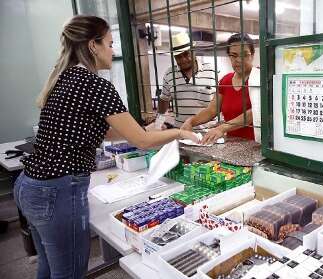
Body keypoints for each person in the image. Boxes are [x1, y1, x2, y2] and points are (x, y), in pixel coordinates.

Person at [13, 15, 198, 279]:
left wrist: (143, 131)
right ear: (93, 46)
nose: (113, 50)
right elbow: (142, 142)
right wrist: (179, 133)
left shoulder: (64, 78)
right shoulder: (95, 84)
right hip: (57, 190)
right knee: (68, 274)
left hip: (30, 185)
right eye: (110, 44)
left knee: (49, 267)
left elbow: (99, 131)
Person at [181, 33, 260, 145]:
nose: (238, 60)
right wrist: (191, 121)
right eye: (233, 55)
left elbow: (255, 112)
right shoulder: (226, 81)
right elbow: (212, 110)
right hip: (232, 144)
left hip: (256, 144)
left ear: (252, 55)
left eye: (244, 55)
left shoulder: (259, 78)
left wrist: (222, 128)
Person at [157, 32, 217, 130]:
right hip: (181, 132)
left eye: (186, 54)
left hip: (207, 132)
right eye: (178, 57)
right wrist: (158, 122)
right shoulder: (169, 74)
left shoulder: (212, 71)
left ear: (193, 51)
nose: (183, 60)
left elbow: (221, 100)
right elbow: (164, 99)